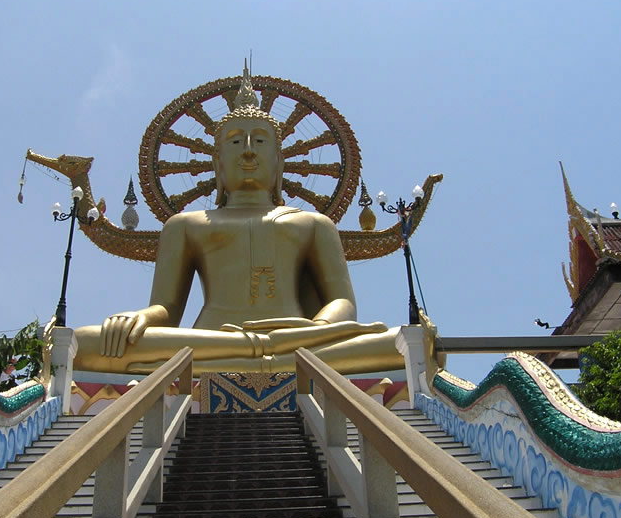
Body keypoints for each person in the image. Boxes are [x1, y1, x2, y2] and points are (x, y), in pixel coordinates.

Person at [72, 71, 404, 375]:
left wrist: (317, 328)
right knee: (85, 344)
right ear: (217, 161)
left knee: (405, 343)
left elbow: (343, 304)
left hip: (299, 340)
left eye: (260, 141)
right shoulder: (185, 225)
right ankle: (267, 355)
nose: (247, 151)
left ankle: (268, 353)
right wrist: (138, 319)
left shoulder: (314, 224)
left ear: (278, 161)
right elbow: (166, 309)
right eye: (234, 142)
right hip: (211, 342)